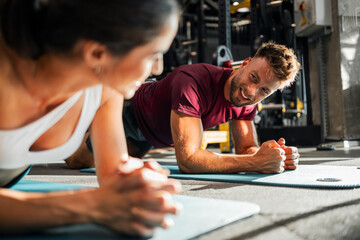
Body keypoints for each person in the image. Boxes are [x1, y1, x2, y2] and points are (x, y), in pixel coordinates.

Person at [0, 0, 182, 237]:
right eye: (154, 54)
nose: (158, 69)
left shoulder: (106, 87)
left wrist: (135, 185)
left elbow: (114, 176)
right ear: (97, 53)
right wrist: (90, 205)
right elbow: (100, 203)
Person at [68, 42, 302, 174]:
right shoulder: (193, 81)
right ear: (246, 63)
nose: (252, 92)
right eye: (253, 77)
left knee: (111, 166)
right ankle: (77, 115)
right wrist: (255, 163)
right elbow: (188, 160)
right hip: (129, 112)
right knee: (78, 162)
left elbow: (247, 148)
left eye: (264, 91)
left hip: (150, 137)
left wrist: (271, 154)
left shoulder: (247, 102)